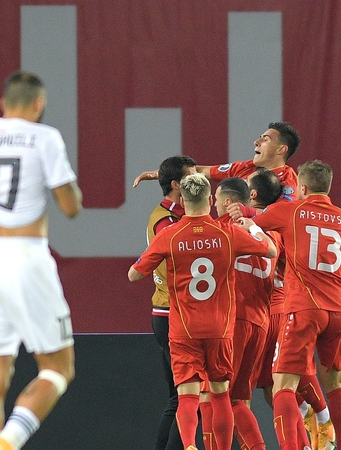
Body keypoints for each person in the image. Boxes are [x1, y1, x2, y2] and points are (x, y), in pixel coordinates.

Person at [0, 71, 83, 450]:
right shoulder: (44, 137)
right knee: (58, 367)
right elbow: (70, 207)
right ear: (39, 104)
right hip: (25, 257)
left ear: (2, 104)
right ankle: (6, 444)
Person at [128, 173, 277, 450]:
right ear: (210, 200)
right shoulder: (228, 232)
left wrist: (159, 264)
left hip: (184, 328)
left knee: (187, 397)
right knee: (221, 395)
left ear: (183, 201)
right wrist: (251, 226)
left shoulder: (168, 236)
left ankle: (189, 446)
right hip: (220, 329)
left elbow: (133, 275)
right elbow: (269, 250)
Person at [247, 160, 341, 450]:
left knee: (282, 385)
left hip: (305, 307)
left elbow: (251, 224)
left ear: (303, 187)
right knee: (336, 383)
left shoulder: (291, 211)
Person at [211, 176, 280, 450]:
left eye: (216, 200)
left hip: (233, 320)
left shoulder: (223, 229)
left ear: (228, 202)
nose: (214, 205)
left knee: (215, 397)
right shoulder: (270, 231)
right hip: (260, 321)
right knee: (237, 400)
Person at [146, 155, 197, 450]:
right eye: (192, 177)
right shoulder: (166, 222)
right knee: (186, 399)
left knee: (182, 398)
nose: (199, 182)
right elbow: (178, 268)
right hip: (172, 314)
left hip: (175, 313)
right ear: (177, 185)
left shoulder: (178, 216)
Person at [132, 121, 301, 202]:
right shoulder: (244, 168)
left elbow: (284, 214)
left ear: (281, 150)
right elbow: (201, 171)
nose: (256, 142)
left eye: (266, 139)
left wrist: (249, 217)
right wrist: (159, 173)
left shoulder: (288, 179)